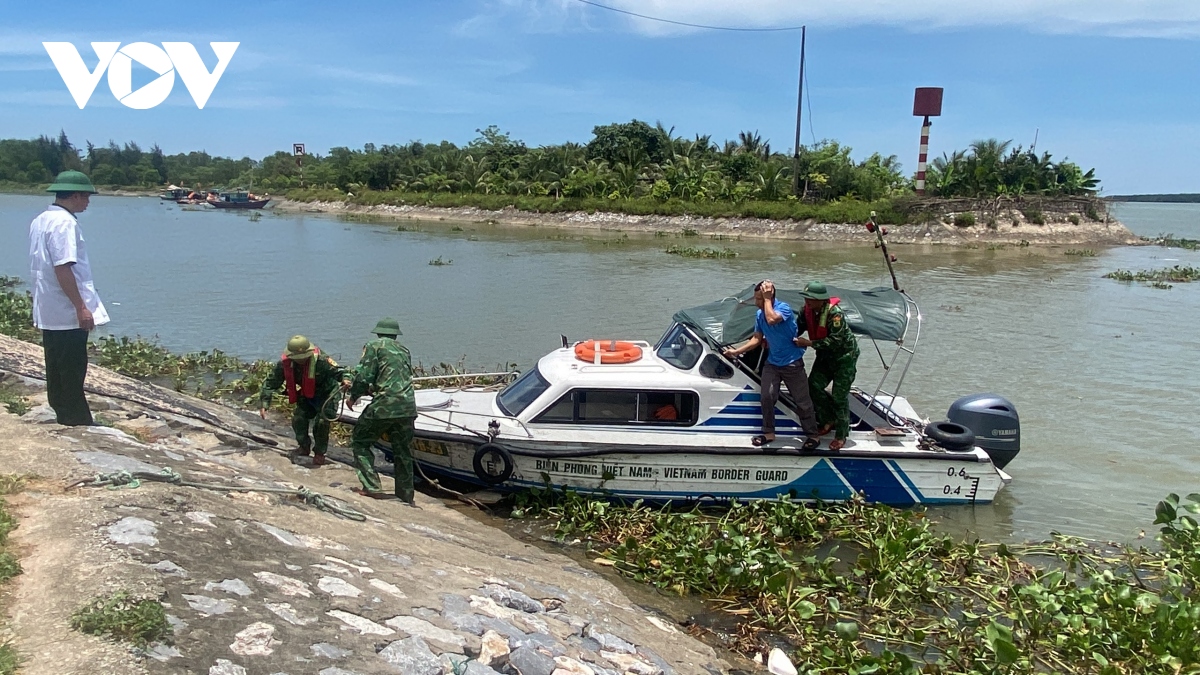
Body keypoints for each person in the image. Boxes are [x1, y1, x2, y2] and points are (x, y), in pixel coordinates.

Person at [28, 171, 108, 426]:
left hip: (49, 307)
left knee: (56, 366)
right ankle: (77, 420)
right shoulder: (65, 224)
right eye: (86, 196)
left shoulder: (41, 220)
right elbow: (63, 267)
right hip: (66, 309)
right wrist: (81, 307)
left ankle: (62, 412)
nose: (88, 202)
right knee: (73, 367)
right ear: (75, 195)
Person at [722, 280, 821, 450]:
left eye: (760, 299)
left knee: (802, 402)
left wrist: (767, 299)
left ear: (770, 297)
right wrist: (737, 352)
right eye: (756, 299)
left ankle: (813, 435)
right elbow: (756, 339)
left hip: (792, 363)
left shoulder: (784, 309)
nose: (757, 303)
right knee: (767, 397)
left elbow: (773, 319)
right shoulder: (760, 315)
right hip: (773, 363)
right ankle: (769, 432)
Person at [341, 318, 417, 504]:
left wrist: (353, 395)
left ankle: (372, 486)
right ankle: (406, 495)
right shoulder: (404, 350)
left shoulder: (374, 346)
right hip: (407, 406)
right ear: (395, 334)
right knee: (403, 450)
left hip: (384, 405)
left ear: (378, 333)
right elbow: (393, 377)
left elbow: (364, 375)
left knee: (360, 441)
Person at [259, 335, 347, 466]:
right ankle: (303, 446)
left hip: (327, 393)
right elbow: (271, 383)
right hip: (307, 393)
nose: (301, 360)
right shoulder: (285, 364)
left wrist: (346, 379)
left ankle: (319, 452)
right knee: (298, 419)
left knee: (322, 423)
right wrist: (264, 403)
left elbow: (340, 372)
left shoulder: (322, 360)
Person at [794, 281, 860, 451]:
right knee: (813, 387)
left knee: (839, 395)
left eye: (811, 298)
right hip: (824, 356)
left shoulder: (835, 314)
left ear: (821, 300)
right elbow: (797, 328)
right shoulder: (805, 311)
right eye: (806, 298)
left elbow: (836, 341)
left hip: (844, 357)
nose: (807, 301)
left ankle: (842, 434)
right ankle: (827, 419)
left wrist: (808, 343)